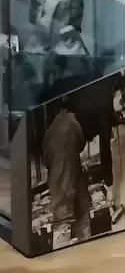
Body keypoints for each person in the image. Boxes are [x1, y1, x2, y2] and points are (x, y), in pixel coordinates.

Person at [41, 96, 91, 245]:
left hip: (57, 182)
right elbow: (81, 143)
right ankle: (86, 246)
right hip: (74, 177)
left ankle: (64, 249)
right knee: (81, 218)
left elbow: (45, 158)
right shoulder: (73, 121)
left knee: (63, 224)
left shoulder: (50, 130)